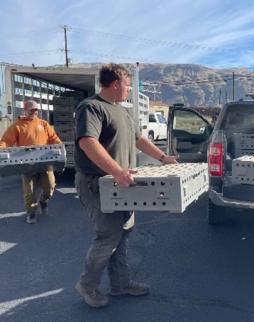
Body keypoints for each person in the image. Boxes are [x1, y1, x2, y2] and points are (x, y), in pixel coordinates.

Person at [74, 63, 178, 308]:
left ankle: (120, 284)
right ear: (116, 83)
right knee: (108, 235)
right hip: (98, 183)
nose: (129, 89)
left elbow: (140, 139)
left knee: (123, 233)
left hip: (121, 183)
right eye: (128, 85)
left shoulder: (123, 111)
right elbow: (88, 142)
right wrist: (117, 171)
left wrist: (163, 158)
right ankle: (87, 285)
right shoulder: (91, 107)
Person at [0, 100, 62, 224]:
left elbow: (54, 138)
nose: (34, 112)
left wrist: (60, 147)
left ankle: (44, 201)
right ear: (25, 110)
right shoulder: (17, 126)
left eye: (36, 110)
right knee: (29, 192)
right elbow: (6, 141)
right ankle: (31, 213)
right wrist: (2, 149)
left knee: (50, 185)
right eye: (31, 110)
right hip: (26, 164)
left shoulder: (43, 124)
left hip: (44, 162)